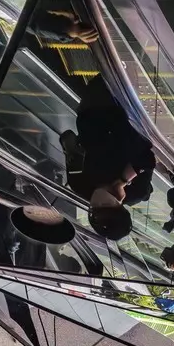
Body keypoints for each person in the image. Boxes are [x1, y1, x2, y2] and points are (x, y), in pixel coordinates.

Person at [60, 77, 155, 239]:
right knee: (134, 70)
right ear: (120, 205)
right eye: (105, 204)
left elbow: (67, 138)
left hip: (93, 108)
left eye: (94, 206)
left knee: (108, 68)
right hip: (128, 113)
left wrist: (71, 149)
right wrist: (122, 180)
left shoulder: (79, 184)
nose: (97, 200)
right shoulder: (136, 191)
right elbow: (147, 158)